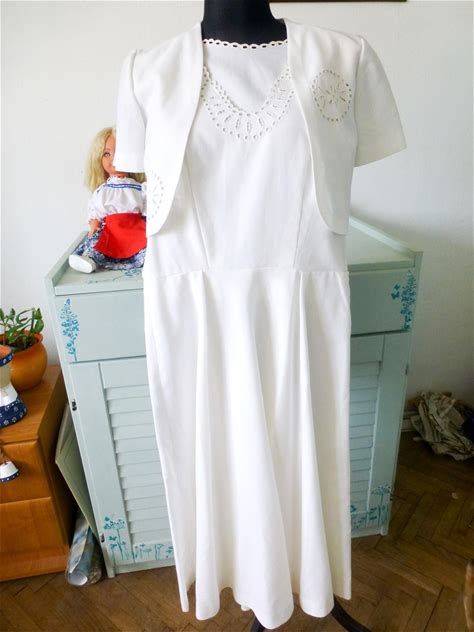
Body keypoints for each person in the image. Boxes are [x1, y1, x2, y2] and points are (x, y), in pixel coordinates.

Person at [68, 126, 147, 274]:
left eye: (120, 152)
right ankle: (89, 259)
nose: (114, 159)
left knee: (146, 246)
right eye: (106, 154)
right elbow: (96, 212)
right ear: (98, 160)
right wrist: (94, 226)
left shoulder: (140, 188)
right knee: (97, 244)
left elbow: (148, 210)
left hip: (135, 229)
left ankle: (147, 259)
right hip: (111, 231)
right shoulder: (101, 191)